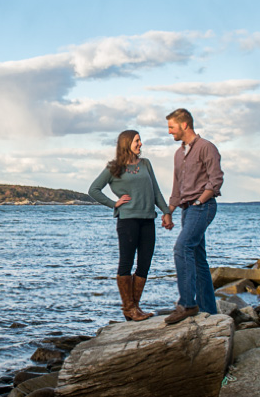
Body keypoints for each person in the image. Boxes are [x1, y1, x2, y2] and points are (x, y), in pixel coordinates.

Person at [88, 129, 174, 321]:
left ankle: (135, 307)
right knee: (126, 263)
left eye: (140, 140)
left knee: (144, 264)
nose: (140, 144)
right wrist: (114, 204)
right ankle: (128, 308)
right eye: (137, 140)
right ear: (127, 143)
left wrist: (166, 212)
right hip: (127, 221)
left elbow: (156, 192)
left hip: (148, 219)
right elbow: (93, 190)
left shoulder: (146, 164)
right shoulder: (114, 168)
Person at [161, 108, 224, 325]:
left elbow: (216, 180)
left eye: (172, 127)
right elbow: (177, 187)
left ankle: (187, 304)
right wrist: (169, 212)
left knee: (182, 247)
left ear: (184, 125)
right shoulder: (178, 154)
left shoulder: (206, 147)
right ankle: (210, 312)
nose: (170, 132)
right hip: (186, 210)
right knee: (198, 259)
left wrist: (200, 200)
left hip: (202, 207)